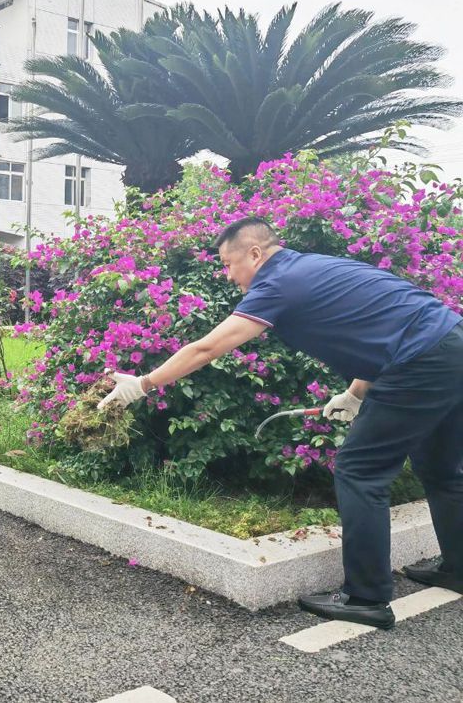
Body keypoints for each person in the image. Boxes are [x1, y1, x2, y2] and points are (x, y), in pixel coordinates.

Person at [98, 217, 463, 629]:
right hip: (451, 345)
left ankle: (366, 599)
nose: (228, 274)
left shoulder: (277, 283)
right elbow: (385, 333)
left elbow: (207, 349)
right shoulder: (312, 268)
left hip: (421, 362)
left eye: (228, 263)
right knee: (442, 471)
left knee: (360, 471)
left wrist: (143, 384)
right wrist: (355, 394)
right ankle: (458, 569)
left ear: (255, 254)